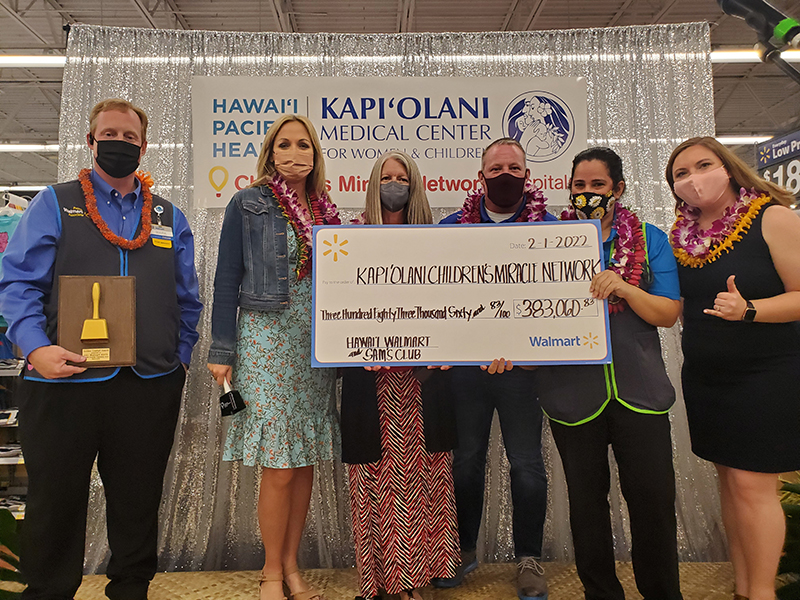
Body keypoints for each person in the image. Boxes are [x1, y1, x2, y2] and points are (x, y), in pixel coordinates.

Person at [0, 98, 202, 600]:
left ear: (144, 145)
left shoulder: (167, 216)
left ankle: (132, 590)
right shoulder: (54, 202)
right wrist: (35, 349)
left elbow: (188, 297)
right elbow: (17, 283)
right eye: (108, 134)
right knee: (55, 501)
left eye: (129, 137)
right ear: (90, 142)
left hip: (148, 385)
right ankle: (47, 592)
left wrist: (178, 358)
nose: (119, 143)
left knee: (138, 502)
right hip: (62, 382)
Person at [536, 147, 683, 600]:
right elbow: (525, 314)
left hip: (640, 393)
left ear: (618, 189)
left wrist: (624, 286)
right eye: (578, 186)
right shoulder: (543, 241)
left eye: (597, 185)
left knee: (653, 503)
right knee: (587, 505)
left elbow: (668, 313)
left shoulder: (650, 238)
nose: (586, 193)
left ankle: (662, 593)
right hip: (571, 397)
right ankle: (600, 593)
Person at [207, 114, 340, 600]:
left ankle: (292, 567)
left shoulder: (327, 209)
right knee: (279, 466)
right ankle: (268, 573)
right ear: (270, 152)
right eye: (284, 144)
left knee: (303, 463)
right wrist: (222, 349)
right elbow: (225, 280)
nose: (294, 152)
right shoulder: (248, 203)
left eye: (303, 144)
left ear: (315, 153)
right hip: (266, 340)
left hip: (315, 345)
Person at [666, 137, 800, 600]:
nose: (693, 179)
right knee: (730, 483)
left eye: (703, 165)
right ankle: (743, 589)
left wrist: (750, 310)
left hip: (766, 372)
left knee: (752, 485)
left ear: (729, 168)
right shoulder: (680, 238)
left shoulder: (772, 217)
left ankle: (761, 593)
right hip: (706, 376)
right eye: (681, 174)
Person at [434, 138, 554, 600]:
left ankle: (529, 557)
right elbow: (433, 297)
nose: (506, 174)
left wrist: (535, 349)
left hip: (524, 370)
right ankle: (461, 551)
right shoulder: (449, 230)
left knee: (526, 464)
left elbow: (559, 303)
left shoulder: (551, 230)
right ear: (479, 177)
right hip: (465, 371)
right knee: (464, 462)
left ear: (528, 175)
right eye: (496, 167)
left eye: (514, 167)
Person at [340, 151, 460, 600]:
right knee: (374, 474)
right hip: (369, 377)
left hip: (422, 379)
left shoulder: (436, 239)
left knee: (425, 473)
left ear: (416, 185)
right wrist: (351, 348)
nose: (394, 184)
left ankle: (418, 580)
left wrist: (453, 345)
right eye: (386, 177)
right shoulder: (346, 239)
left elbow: (455, 302)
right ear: (372, 185)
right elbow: (332, 306)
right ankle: (378, 580)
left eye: (402, 178)